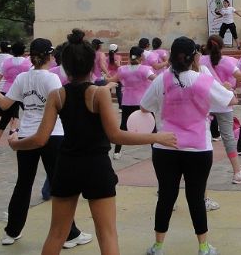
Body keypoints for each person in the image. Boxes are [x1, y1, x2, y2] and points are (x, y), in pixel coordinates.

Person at [9, 29, 176, 255]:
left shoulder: (57, 95)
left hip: (67, 165)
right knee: (107, 233)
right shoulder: (98, 94)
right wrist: (156, 136)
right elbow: (115, 135)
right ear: (91, 66)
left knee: (56, 233)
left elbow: (40, 138)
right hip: (96, 166)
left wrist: (15, 143)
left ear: (65, 67)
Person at [0, 38, 91, 248]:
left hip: (27, 135)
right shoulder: (51, 79)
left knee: (23, 183)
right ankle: (69, 234)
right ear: (50, 56)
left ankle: (12, 231)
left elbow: (5, 103)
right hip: (53, 134)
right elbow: (62, 105)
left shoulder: (22, 78)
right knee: (59, 185)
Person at [141, 36, 235, 255]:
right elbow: (230, 100)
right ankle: (203, 246)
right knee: (196, 197)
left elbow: (145, 106)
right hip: (198, 148)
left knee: (166, 196)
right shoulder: (202, 79)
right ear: (194, 56)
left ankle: (158, 246)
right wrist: (225, 88)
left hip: (165, 147)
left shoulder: (162, 79)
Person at [200, 34, 241, 185]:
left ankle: (193, 173)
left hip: (205, 102)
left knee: (202, 136)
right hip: (224, 102)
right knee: (228, 138)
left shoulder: (200, 61)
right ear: (222, 46)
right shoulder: (227, 62)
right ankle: (237, 172)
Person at [111, 46, 155, 159]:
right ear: (141, 57)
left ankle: (116, 152)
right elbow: (155, 78)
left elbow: (113, 80)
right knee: (152, 126)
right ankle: (155, 151)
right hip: (143, 102)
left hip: (127, 101)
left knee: (123, 127)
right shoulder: (145, 69)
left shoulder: (122, 69)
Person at [0, 42, 32, 151]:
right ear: (23, 51)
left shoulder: (6, 62)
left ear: (12, 51)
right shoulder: (27, 63)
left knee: (5, 119)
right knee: (30, 114)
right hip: (24, 91)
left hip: (8, 91)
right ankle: (31, 139)